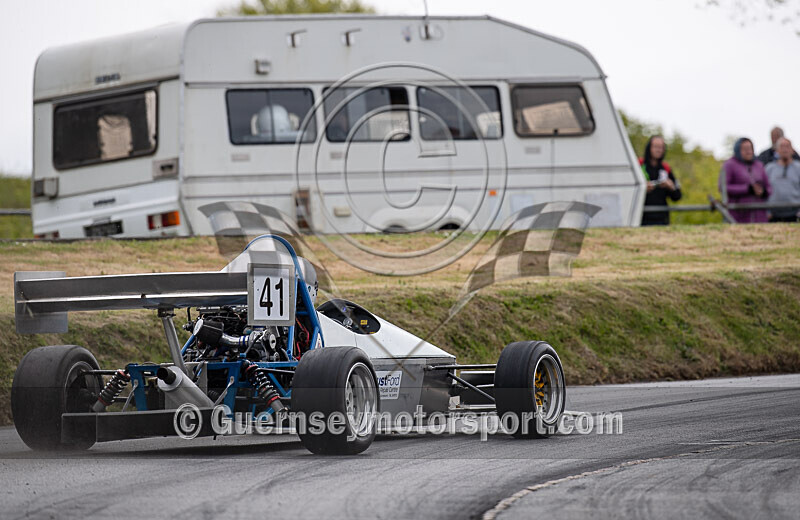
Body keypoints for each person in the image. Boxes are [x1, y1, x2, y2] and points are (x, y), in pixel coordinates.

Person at [720, 137, 772, 223]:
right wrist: (747, 189)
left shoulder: (759, 165)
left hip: (759, 216)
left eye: (750, 148)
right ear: (737, 150)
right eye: (745, 149)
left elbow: (769, 187)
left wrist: (763, 191)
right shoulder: (729, 165)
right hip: (738, 216)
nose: (748, 151)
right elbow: (723, 187)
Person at [639, 135, 682, 226]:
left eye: (661, 147)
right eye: (655, 146)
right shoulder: (639, 165)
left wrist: (671, 187)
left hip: (661, 218)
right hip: (641, 217)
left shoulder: (666, 168)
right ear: (649, 148)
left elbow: (677, 196)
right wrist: (642, 188)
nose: (659, 150)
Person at [765, 137, 800, 222]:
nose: (785, 149)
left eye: (787, 146)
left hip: (795, 214)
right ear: (776, 151)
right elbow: (764, 190)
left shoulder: (798, 168)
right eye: (782, 146)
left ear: (792, 150)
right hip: (773, 215)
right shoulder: (769, 168)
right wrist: (766, 211)